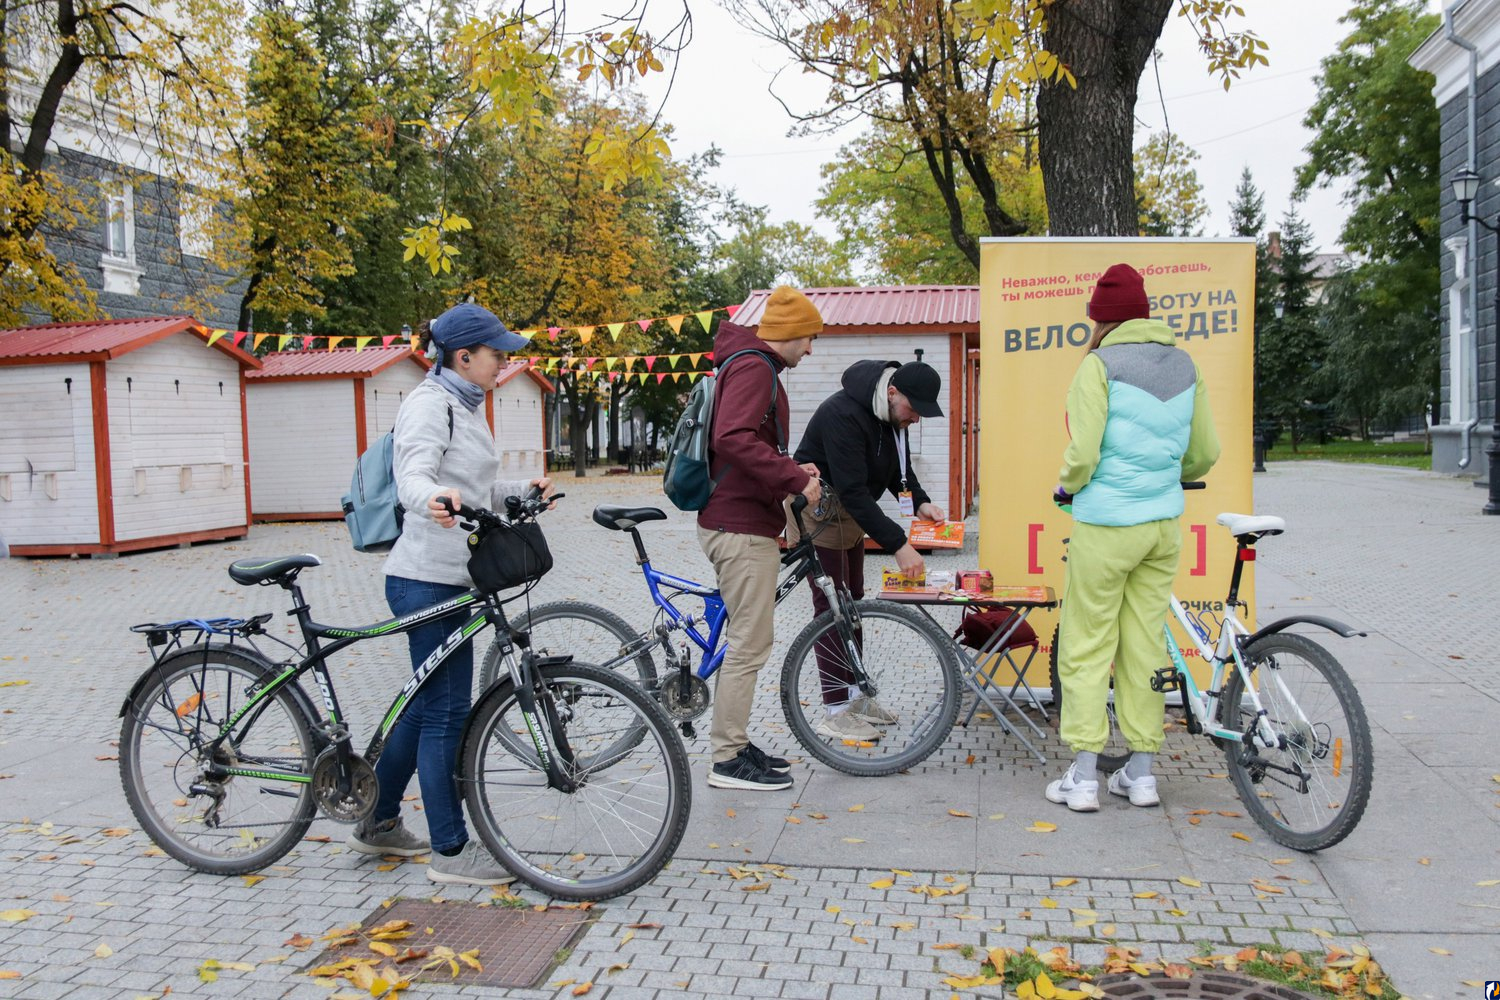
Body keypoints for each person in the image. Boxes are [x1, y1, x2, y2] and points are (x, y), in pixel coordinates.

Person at [346, 302, 550, 884]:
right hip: (424, 579)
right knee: (447, 715)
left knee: (429, 706)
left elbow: (474, 487)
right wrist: (429, 499)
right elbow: (415, 474)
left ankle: (379, 822)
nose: (504, 362)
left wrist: (520, 492)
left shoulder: (467, 405)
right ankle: (452, 852)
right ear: (463, 356)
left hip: (457, 577)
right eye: (496, 354)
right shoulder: (429, 405)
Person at [1047, 263, 1220, 812]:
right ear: (1145, 314)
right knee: (1145, 646)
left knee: (1086, 645)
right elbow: (1205, 452)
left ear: (1100, 320)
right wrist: (1172, 471)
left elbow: (1084, 453)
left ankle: (1084, 777)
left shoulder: (1098, 365)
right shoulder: (1186, 365)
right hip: (1163, 526)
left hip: (1106, 525)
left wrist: (1067, 484)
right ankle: (1141, 776)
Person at [698, 285, 823, 792]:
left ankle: (737, 742)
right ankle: (727, 759)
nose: (810, 349)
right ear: (790, 334)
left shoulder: (750, 364)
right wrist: (795, 481)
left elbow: (748, 443)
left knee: (749, 641)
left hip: (743, 520)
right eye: (809, 338)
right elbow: (731, 438)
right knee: (749, 646)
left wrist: (791, 467)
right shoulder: (755, 367)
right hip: (741, 527)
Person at [790, 360, 947, 741]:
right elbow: (854, 492)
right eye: (915, 410)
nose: (917, 420)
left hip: (852, 518)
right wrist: (899, 544)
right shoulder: (842, 414)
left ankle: (857, 695)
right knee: (831, 609)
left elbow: (898, 471)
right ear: (893, 393)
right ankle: (835, 708)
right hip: (822, 514)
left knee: (852, 602)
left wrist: (921, 502)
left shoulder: (891, 418)